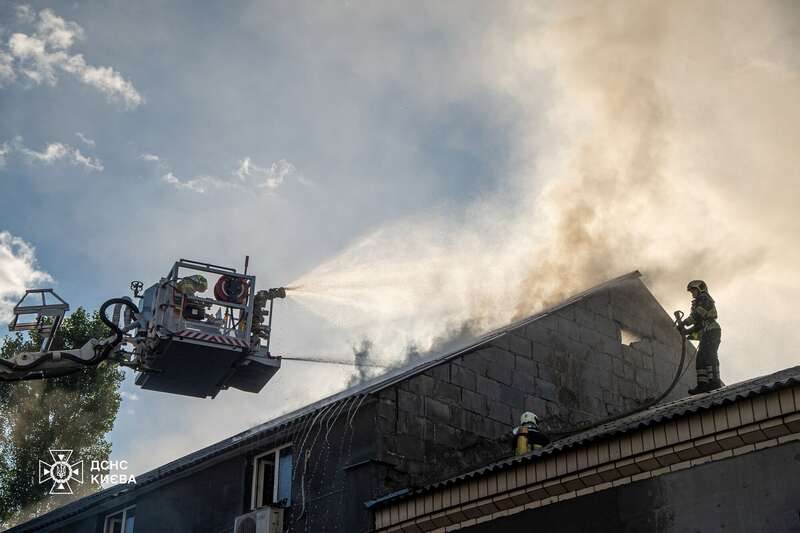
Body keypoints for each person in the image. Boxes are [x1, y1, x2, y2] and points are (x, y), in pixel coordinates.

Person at [679, 280, 723, 394]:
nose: (692, 293)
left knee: (710, 355)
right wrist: (686, 332)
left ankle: (714, 382)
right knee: (700, 359)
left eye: (694, 290)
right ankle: (702, 385)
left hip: (712, 331)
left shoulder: (704, 298)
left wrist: (684, 323)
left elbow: (698, 314)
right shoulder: (696, 303)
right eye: (691, 291)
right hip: (705, 333)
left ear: (700, 289)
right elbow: (698, 326)